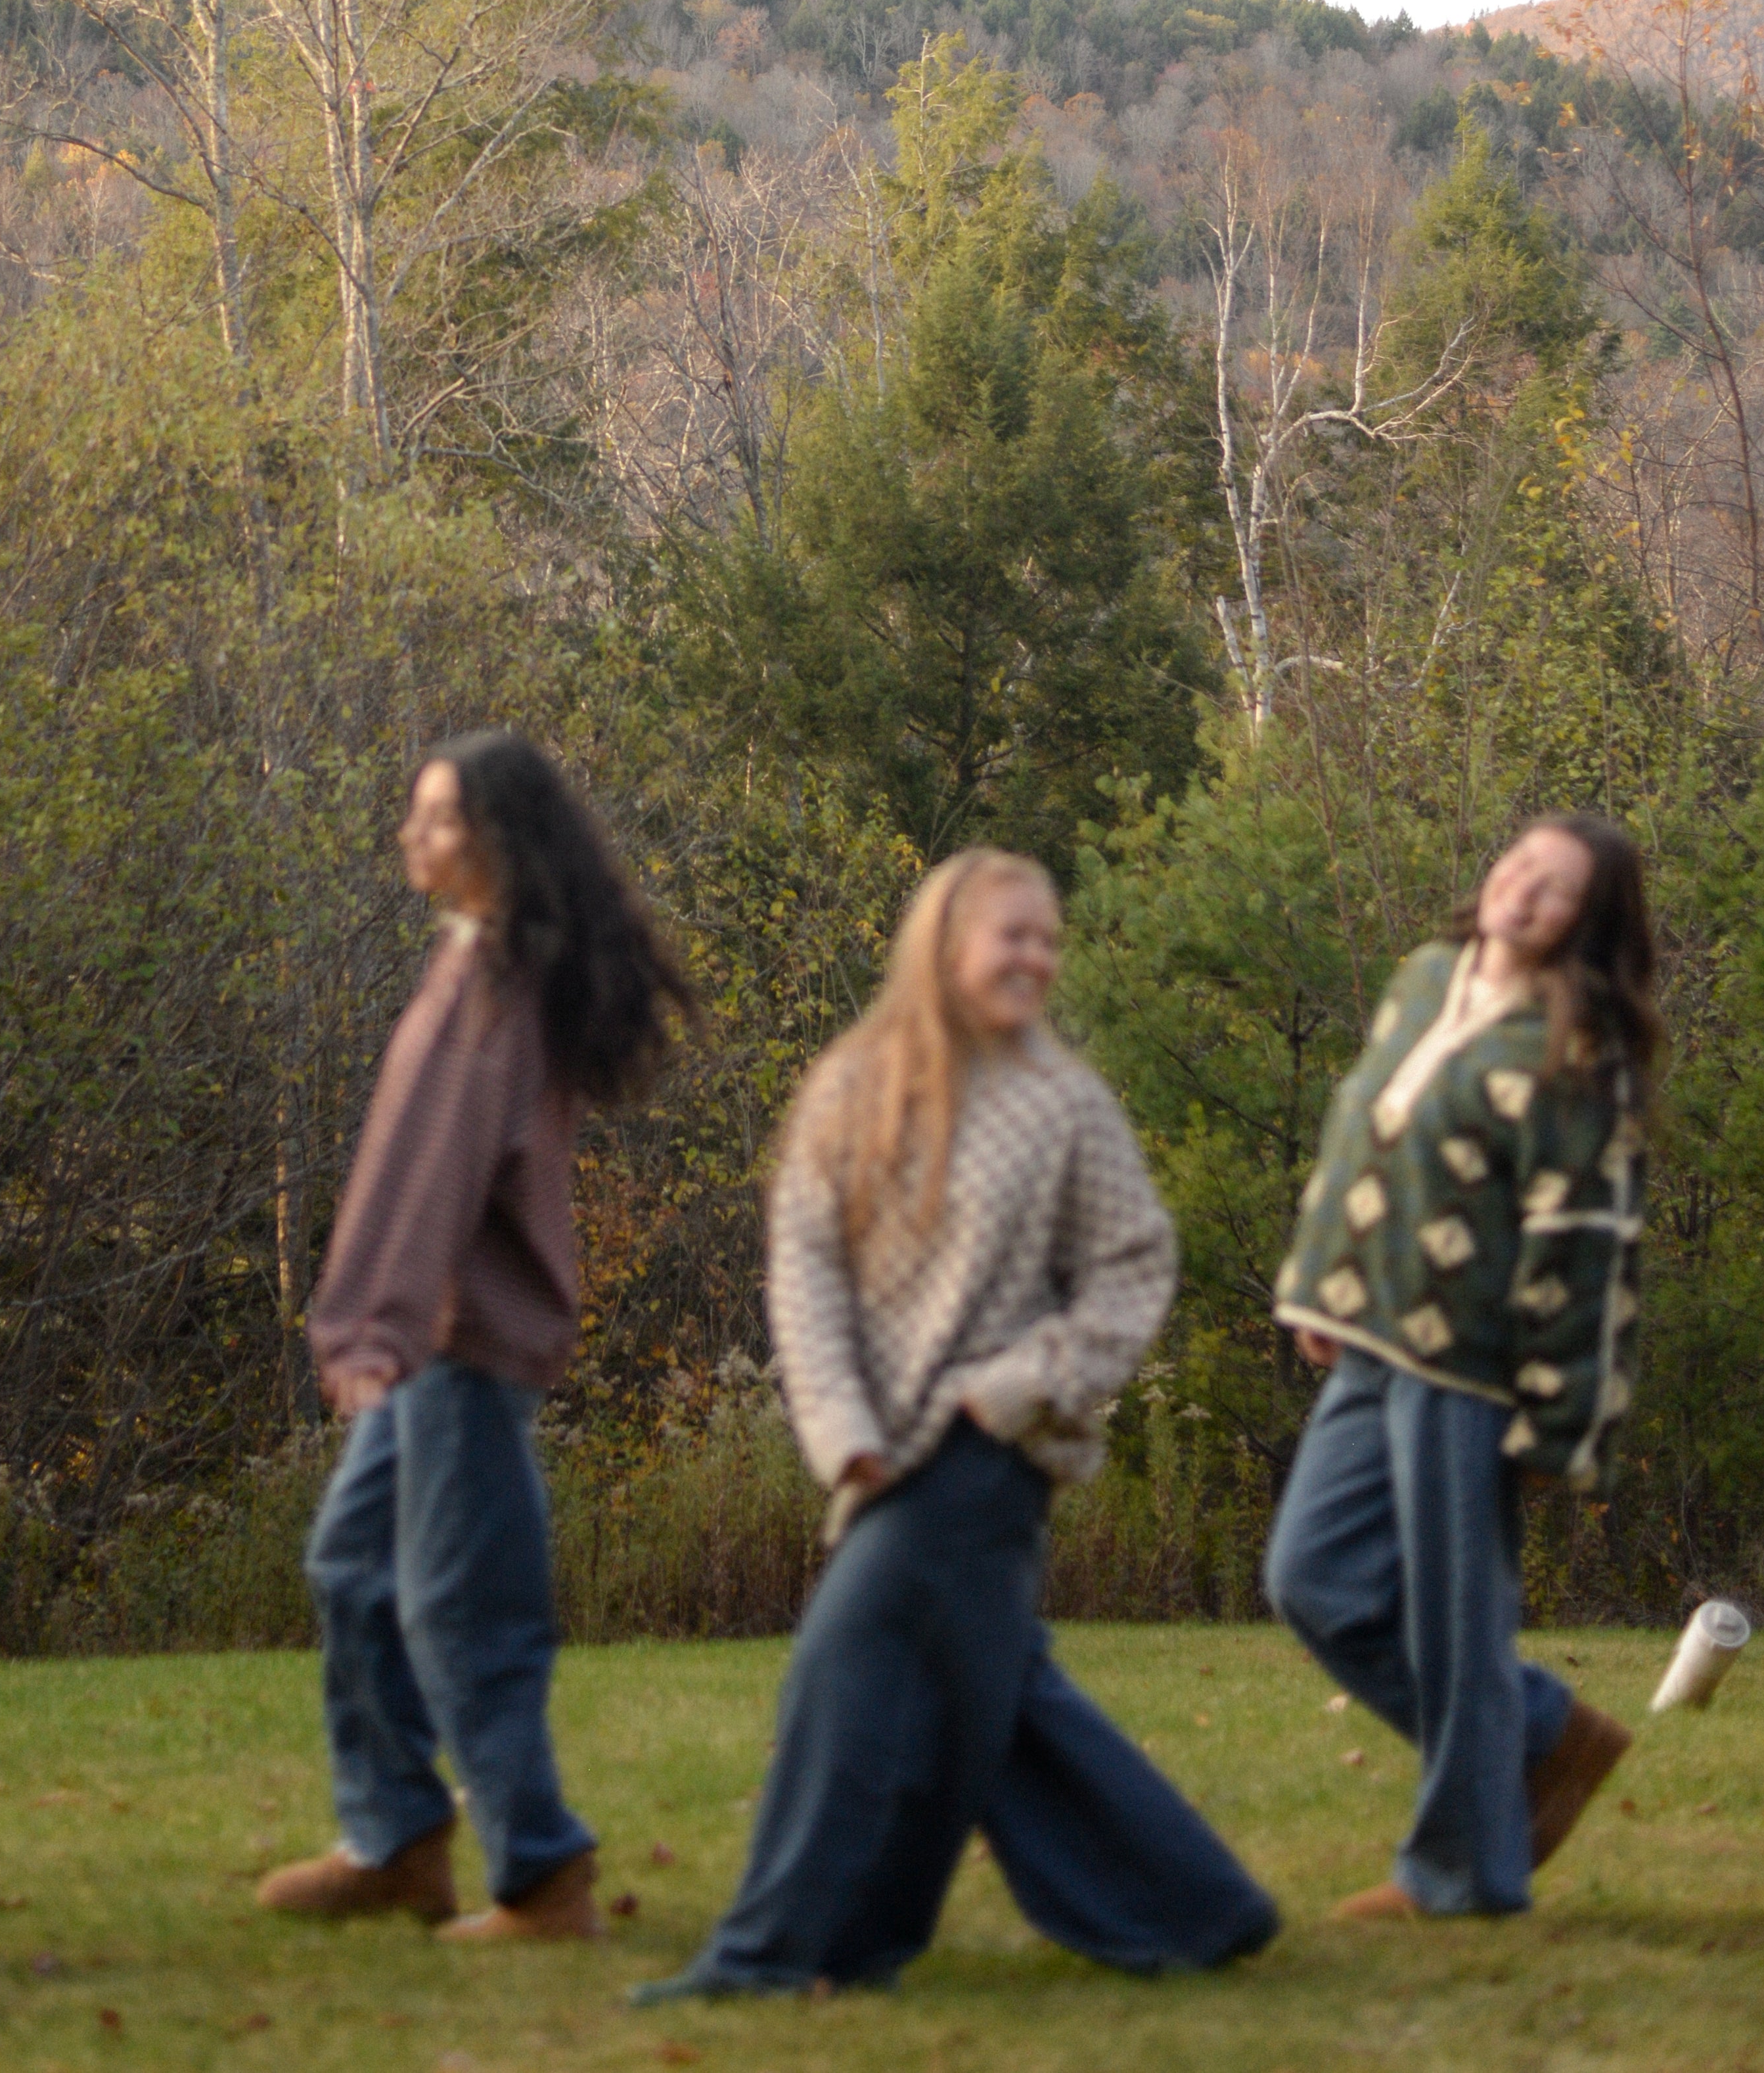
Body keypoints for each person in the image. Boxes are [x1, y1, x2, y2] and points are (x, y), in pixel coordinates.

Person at [635, 848, 1278, 2001]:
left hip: (989, 1450)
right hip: (882, 1452)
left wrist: (1025, 1385)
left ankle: (769, 1954)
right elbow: (805, 1274)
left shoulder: (1066, 1104)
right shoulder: (852, 1086)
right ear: (942, 945)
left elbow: (1136, 1265)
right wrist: (841, 1433)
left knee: (841, 1670)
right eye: (1012, 935)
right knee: (995, 1699)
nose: (1037, 957)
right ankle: (1196, 1909)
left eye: (1049, 940)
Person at [256, 731, 693, 1942]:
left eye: (441, 817)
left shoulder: (493, 985)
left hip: (460, 1350)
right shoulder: (478, 963)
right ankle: (396, 1841)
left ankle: (542, 1875)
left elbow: (433, 1172)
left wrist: (370, 1329)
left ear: (498, 841)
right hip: (434, 1346)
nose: (414, 834)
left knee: (464, 1614)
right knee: (354, 1573)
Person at [1263, 813, 1662, 1921]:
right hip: (1370, 1340)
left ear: (1590, 922)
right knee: (1312, 1578)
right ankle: (1543, 1732)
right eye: (1519, 864)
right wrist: (1323, 1285)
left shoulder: (1579, 1048)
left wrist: (1559, 1424)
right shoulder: (1426, 978)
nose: (1523, 891)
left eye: (1557, 888)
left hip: (1476, 1371)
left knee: (1457, 1626)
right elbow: (1360, 1135)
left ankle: (1464, 1877)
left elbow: (1589, 1245)